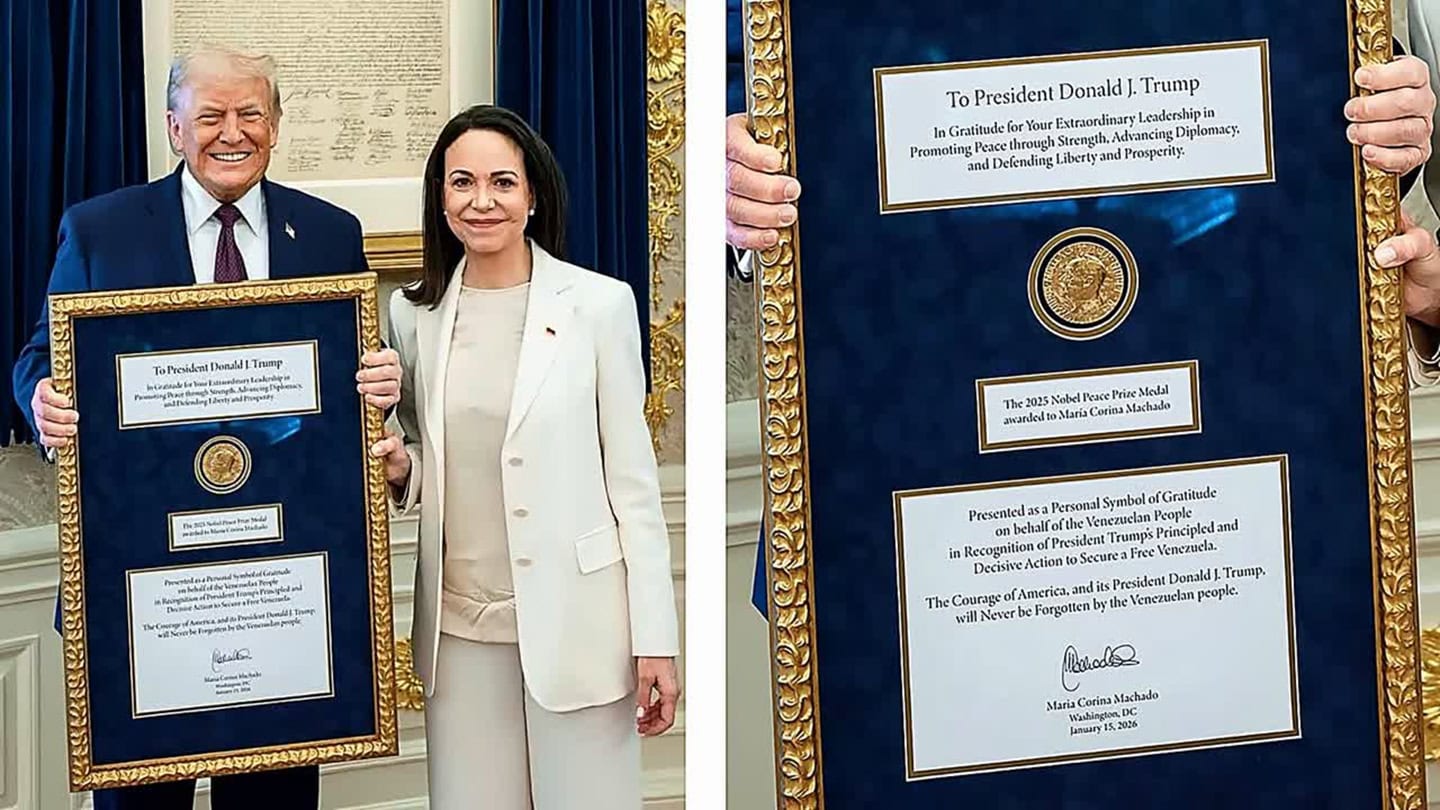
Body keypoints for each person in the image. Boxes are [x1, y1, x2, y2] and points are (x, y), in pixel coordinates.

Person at [726, 55, 1440, 612]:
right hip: (919, 424)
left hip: (1233, 421)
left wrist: (1391, 106)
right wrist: (730, 174)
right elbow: (749, 74)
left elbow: (1337, 72)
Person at [10, 47, 400, 810]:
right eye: (212, 114)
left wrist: (380, 384)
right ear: (173, 126)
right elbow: (38, 354)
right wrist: (43, 398)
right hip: (142, 579)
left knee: (275, 797)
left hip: (283, 580)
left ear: (276, 124)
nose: (233, 132)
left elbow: (345, 385)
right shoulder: (100, 230)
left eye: (251, 113)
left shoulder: (327, 233)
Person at [371, 104, 680, 810]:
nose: (481, 201)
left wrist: (655, 640)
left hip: (581, 626)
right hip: (458, 632)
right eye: (461, 183)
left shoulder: (599, 306)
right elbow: (426, 451)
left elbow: (634, 487)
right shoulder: (412, 315)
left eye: (502, 183)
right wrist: (400, 470)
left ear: (533, 195)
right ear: (439, 197)